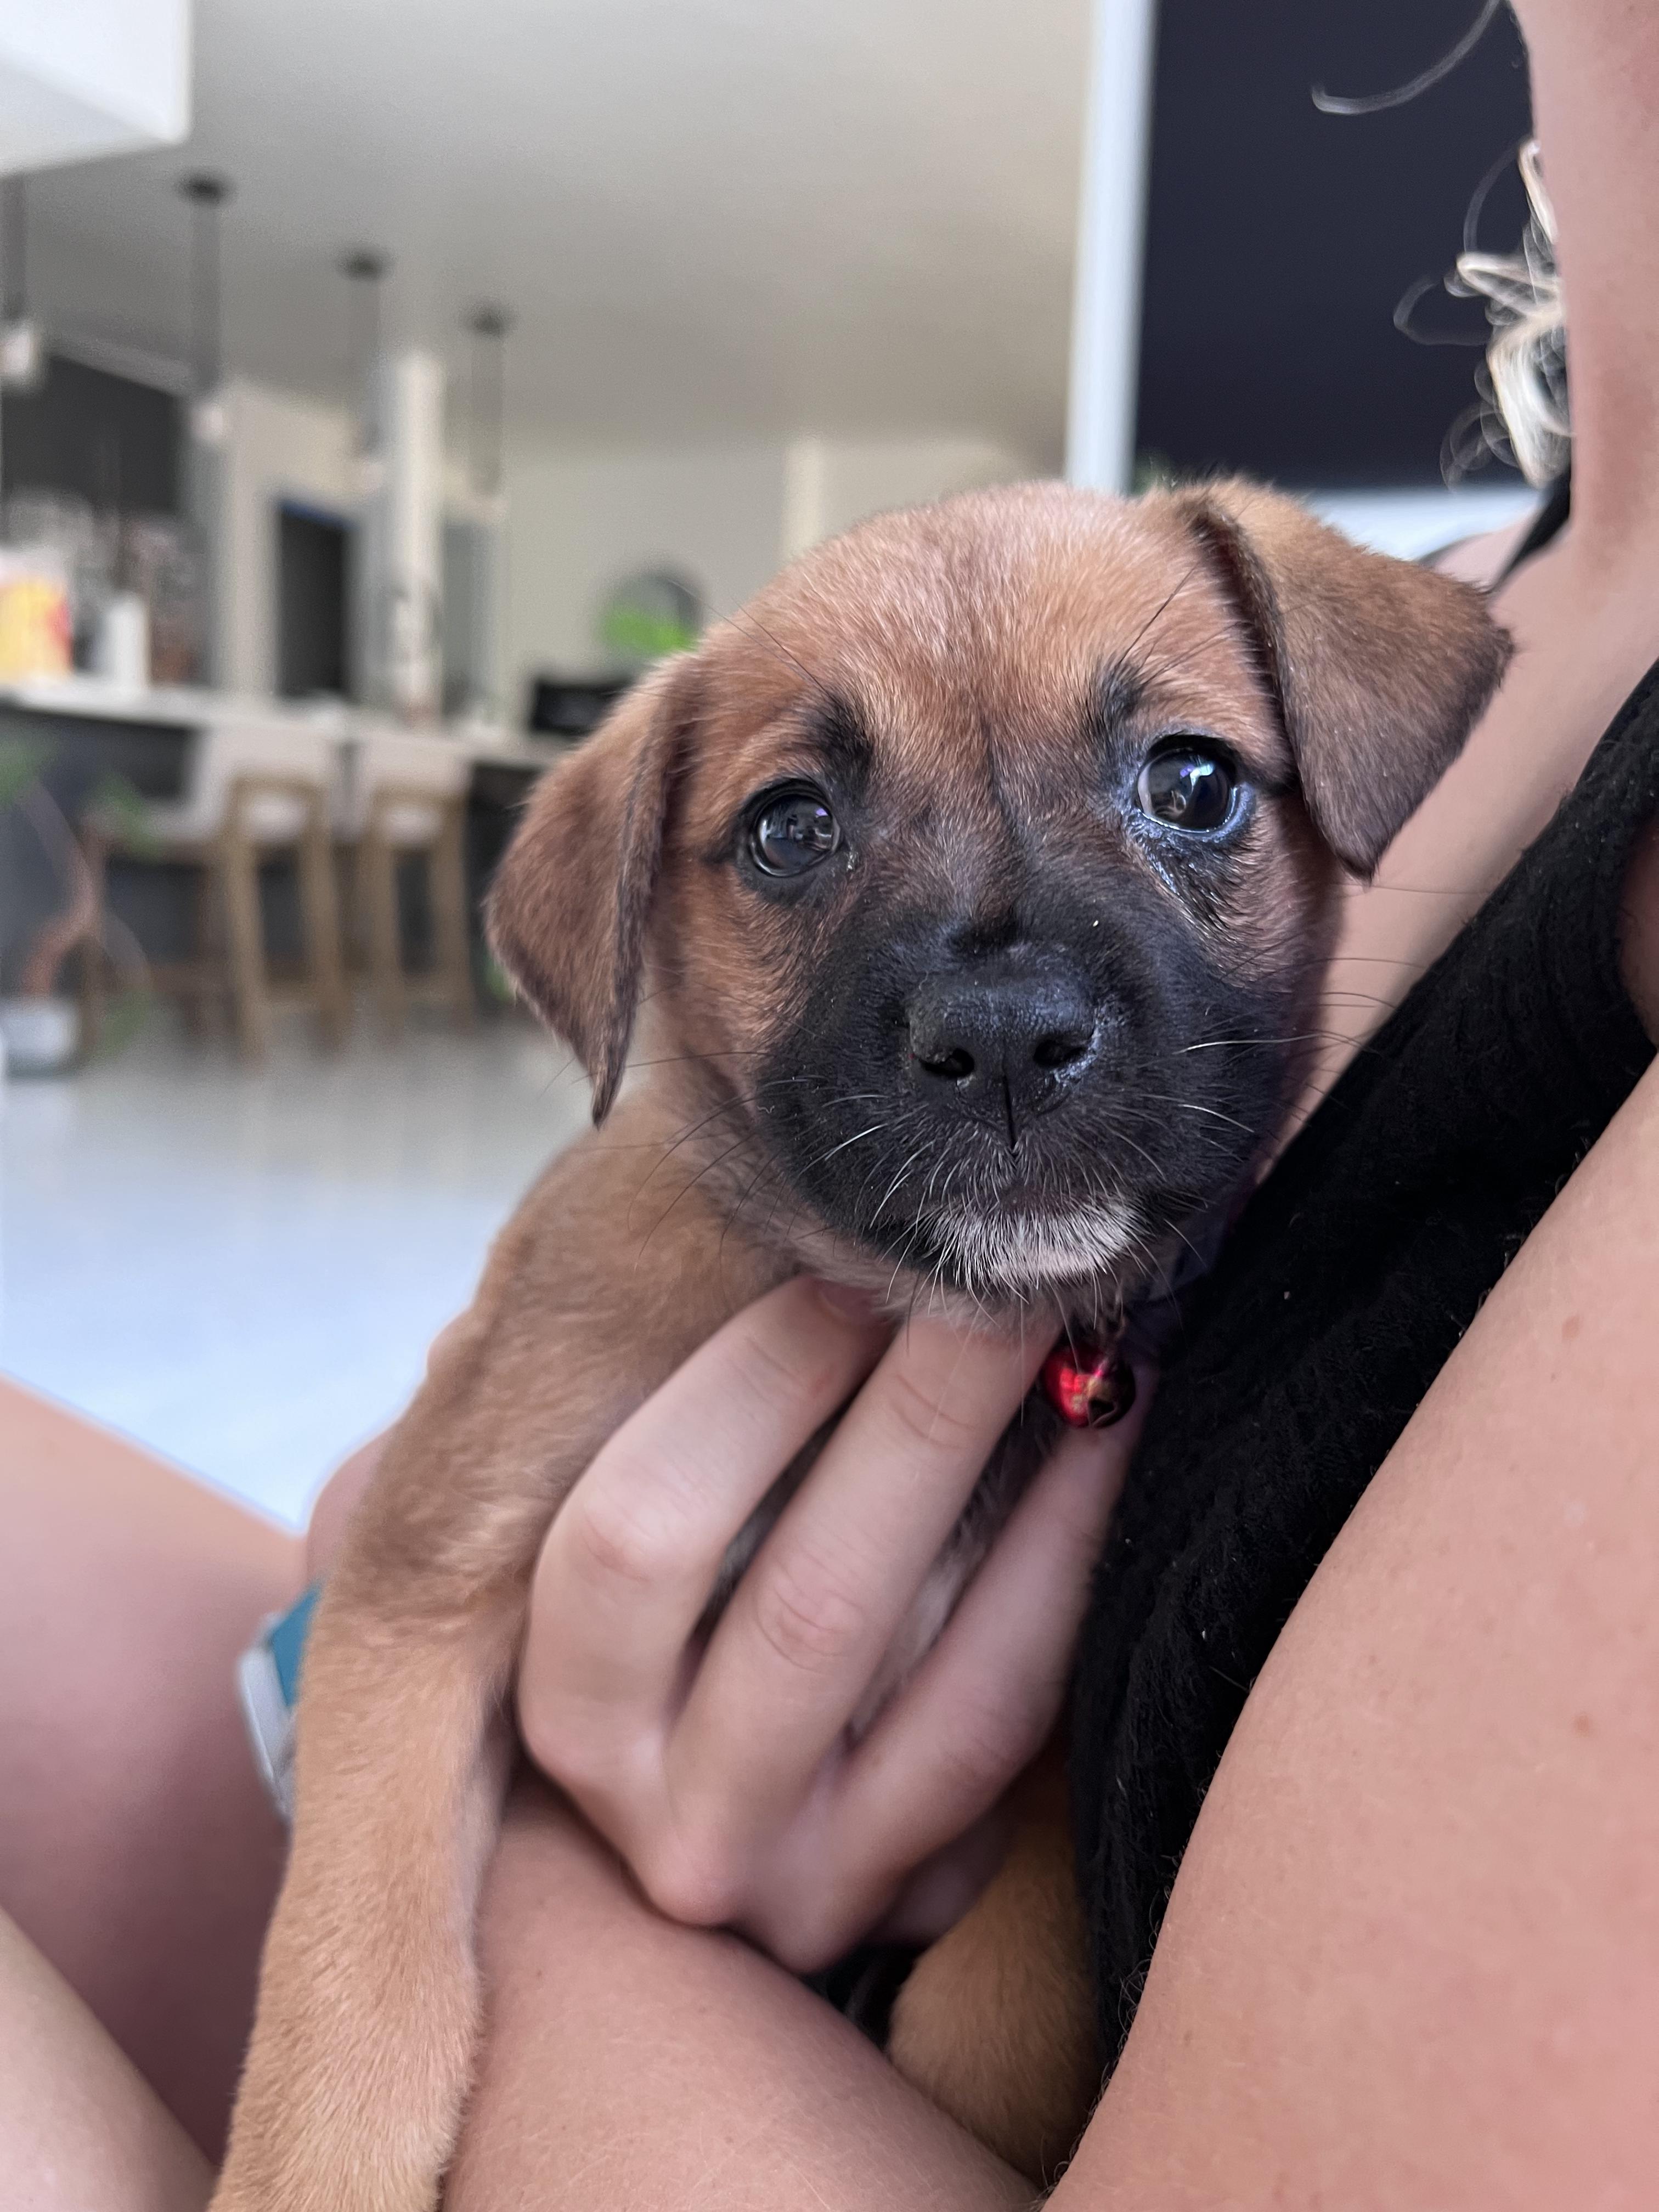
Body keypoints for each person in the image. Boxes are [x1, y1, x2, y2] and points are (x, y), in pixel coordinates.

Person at [6, 0, 1659, 2199]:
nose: (1000, 1007)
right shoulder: (1436, 612)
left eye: (1179, 793)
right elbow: (393, 1577)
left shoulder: (1331, 652)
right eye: (797, 833)